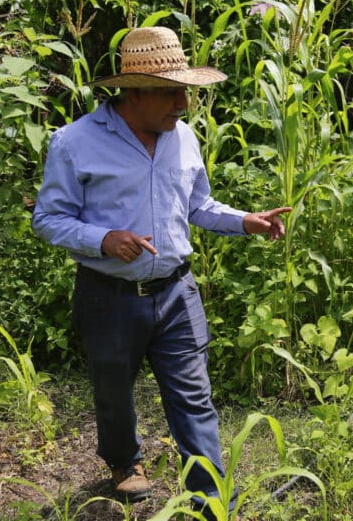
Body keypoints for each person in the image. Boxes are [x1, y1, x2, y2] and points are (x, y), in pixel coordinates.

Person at [32, 26, 289, 519]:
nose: (183, 104)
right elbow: (48, 218)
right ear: (135, 92)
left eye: (185, 91)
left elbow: (198, 204)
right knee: (112, 388)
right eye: (173, 92)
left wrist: (244, 222)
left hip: (176, 293)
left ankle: (211, 504)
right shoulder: (75, 143)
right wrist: (103, 239)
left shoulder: (184, 137)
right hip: (107, 295)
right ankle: (124, 461)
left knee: (195, 400)